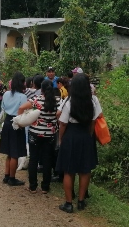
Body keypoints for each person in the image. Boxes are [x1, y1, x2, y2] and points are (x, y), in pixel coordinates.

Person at [55, 73, 102, 213]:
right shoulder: (93, 101)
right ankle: (81, 201)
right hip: (86, 135)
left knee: (69, 170)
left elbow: (62, 123)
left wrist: (61, 139)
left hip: (71, 135)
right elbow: (94, 121)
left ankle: (68, 203)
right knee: (85, 170)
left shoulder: (69, 102)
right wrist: (89, 135)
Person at [18, 79, 60, 194]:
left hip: (34, 134)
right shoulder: (57, 101)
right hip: (50, 135)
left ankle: (33, 186)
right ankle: (45, 187)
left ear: (41, 89)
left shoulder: (35, 100)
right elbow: (60, 114)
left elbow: (21, 108)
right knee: (47, 160)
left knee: (34, 159)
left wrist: (20, 122)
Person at [0, 71, 27, 186]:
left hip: (7, 122)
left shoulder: (6, 94)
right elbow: (24, 111)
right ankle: (12, 178)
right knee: (15, 153)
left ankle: (6, 175)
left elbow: (3, 107)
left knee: (9, 153)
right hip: (17, 123)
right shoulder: (23, 97)